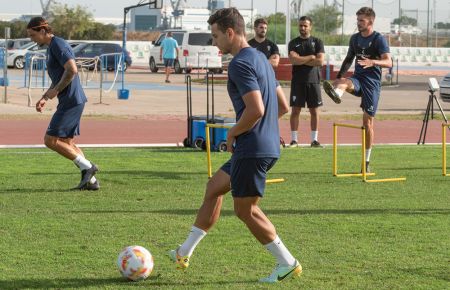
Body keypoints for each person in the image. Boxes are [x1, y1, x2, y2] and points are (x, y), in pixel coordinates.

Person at [168, 8, 301, 283]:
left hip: (252, 147)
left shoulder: (240, 63)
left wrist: (232, 134)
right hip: (259, 145)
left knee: (245, 210)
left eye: (216, 36)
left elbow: (256, 110)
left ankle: (287, 262)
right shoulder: (261, 59)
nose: (214, 42)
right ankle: (183, 252)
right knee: (214, 187)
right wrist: (261, 132)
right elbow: (283, 106)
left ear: (230, 32)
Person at [27, 17, 99, 190]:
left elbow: (72, 70)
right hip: (71, 100)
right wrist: (45, 97)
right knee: (67, 143)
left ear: (43, 31)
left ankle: (89, 168)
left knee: (50, 140)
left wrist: (56, 91)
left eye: (32, 35)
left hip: (71, 100)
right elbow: (59, 76)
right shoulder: (51, 47)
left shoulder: (58, 44)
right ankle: (91, 182)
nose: (31, 39)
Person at [322, 7, 391, 172]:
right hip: (358, 79)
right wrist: (338, 76)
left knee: (367, 123)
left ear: (370, 21)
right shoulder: (354, 39)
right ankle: (337, 93)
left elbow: (389, 62)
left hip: (372, 84)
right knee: (344, 82)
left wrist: (373, 62)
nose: (358, 23)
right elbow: (348, 59)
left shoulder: (378, 39)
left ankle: (366, 163)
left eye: (361, 20)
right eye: (358, 20)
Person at [248, 18, 290, 145]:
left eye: (265, 28)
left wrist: (258, 62)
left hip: (271, 80)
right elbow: (248, 63)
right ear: (255, 28)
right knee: (257, 109)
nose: (263, 30)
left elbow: (275, 63)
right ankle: (254, 132)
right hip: (254, 82)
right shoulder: (249, 45)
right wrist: (266, 61)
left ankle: (266, 124)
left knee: (284, 107)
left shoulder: (272, 45)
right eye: (261, 27)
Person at [288, 16, 325, 147]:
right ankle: (294, 140)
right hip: (298, 81)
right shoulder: (293, 43)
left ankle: (314, 140)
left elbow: (320, 61)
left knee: (314, 112)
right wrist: (310, 57)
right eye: (301, 25)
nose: (302, 28)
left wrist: (301, 59)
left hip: (314, 82)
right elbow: (293, 60)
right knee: (295, 111)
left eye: (305, 26)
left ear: (310, 27)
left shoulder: (318, 42)